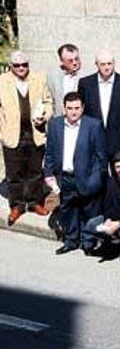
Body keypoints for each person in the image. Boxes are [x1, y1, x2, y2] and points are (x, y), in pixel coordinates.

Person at [44, 92, 108, 254]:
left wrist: (95, 180)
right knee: (68, 210)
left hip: (87, 178)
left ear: (83, 108)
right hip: (65, 177)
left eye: (77, 108)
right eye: (70, 108)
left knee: (89, 211)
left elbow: (101, 157)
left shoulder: (93, 125)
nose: (73, 112)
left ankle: (88, 241)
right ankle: (71, 240)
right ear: (64, 108)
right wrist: (49, 174)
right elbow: (50, 152)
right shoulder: (55, 125)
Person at [0, 50, 53, 225]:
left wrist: (44, 116)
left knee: (35, 172)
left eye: (25, 65)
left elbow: (48, 102)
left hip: (34, 133)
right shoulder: (2, 81)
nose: (22, 68)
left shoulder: (39, 79)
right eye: (17, 65)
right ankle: (17, 205)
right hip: (12, 134)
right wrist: (2, 131)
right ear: (11, 67)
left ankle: (34, 202)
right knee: (14, 173)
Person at [77, 50, 120, 161]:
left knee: (119, 175)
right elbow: (83, 110)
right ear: (96, 65)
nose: (107, 67)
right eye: (103, 64)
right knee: (98, 175)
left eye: (109, 64)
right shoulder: (85, 84)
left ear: (114, 63)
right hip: (94, 139)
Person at [48, 43, 81, 116]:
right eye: (70, 60)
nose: (75, 63)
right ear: (62, 61)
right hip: (59, 120)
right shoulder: (53, 77)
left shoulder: (85, 77)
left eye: (76, 59)